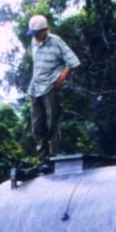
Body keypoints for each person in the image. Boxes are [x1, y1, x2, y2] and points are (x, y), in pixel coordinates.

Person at [25, 13, 81, 163]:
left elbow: (73, 62)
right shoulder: (33, 42)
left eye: (38, 33)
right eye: (33, 34)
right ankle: (43, 161)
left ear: (46, 30)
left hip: (50, 87)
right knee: (37, 127)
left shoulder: (56, 41)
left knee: (52, 124)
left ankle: (56, 157)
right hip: (35, 88)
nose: (36, 37)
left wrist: (59, 80)